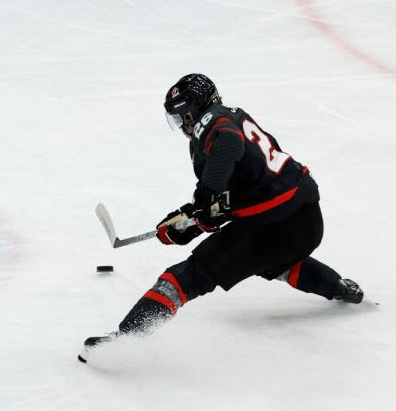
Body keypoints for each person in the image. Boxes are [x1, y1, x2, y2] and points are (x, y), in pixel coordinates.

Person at [79, 74, 363, 363]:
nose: (182, 127)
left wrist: (202, 206)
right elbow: (224, 202)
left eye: (183, 118)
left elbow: (227, 147)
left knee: (187, 277)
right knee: (267, 262)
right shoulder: (234, 117)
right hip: (306, 221)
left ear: (195, 111)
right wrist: (190, 221)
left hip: (274, 226)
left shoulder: (214, 122)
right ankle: (337, 286)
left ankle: (124, 341)